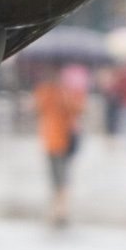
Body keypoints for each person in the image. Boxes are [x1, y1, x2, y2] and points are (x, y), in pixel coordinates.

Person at [32, 55, 88, 220]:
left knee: (62, 173)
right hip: (50, 139)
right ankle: (57, 204)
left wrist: (65, 97)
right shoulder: (45, 90)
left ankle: (61, 206)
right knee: (54, 174)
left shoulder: (69, 92)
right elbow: (38, 108)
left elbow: (79, 110)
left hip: (64, 139)